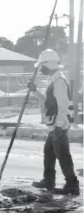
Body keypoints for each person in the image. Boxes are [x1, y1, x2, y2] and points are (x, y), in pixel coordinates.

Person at [27, 48, 79, 195]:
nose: (41, 69)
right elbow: (48, 101)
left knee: (62, 154)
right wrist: (35, 91)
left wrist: (58, 127)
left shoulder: (59, 81)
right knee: (49, 152)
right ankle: (48, 181)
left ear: (48, 64)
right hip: (54, 125)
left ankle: (72, 184)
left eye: (42, 66)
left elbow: (63, 106)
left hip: (59, 125)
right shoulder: (53, 80)